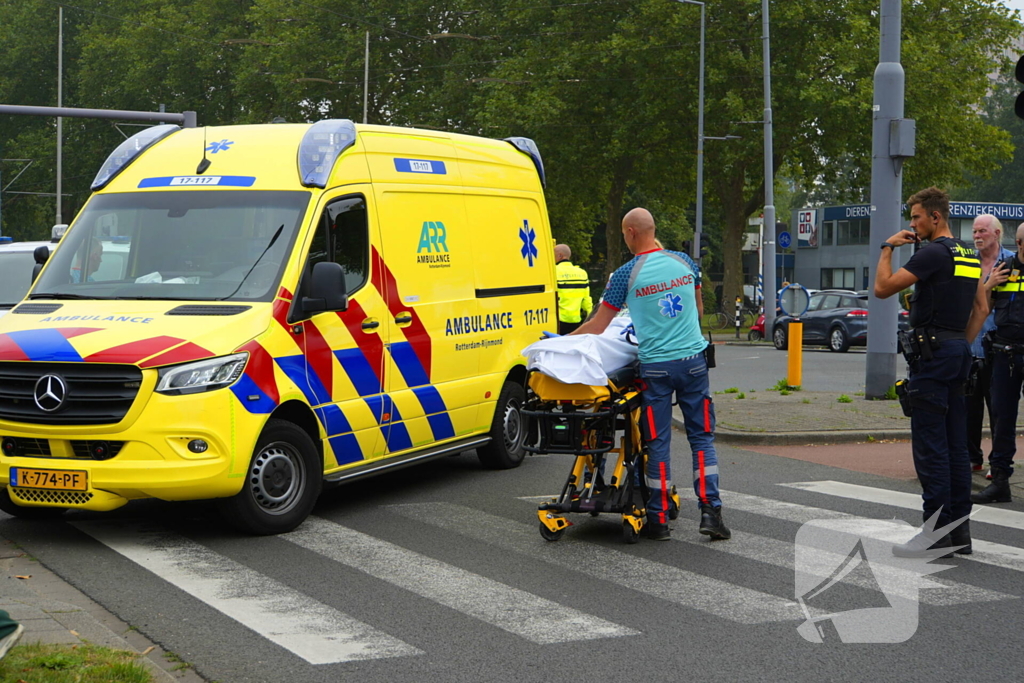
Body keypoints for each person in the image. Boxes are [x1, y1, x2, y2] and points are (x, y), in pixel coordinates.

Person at [570, 208, 729, 542]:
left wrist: (559, 343)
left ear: (630, 232)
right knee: (701, 438)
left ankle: (658, 521)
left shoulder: (625, 274)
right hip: (693, 363)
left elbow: (598, 327)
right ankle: (711, 513)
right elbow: (698, 311)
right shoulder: (686, 263)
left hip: (655, 369)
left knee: (657, 443)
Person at [874, 187, 989, 557]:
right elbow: (982, 309)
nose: (912, 224)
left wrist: (887, 247)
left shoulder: (935, 253)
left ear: (935, 218)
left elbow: (882, 288)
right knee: (957, 447)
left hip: (934, 357)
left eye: (917, 217)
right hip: (958, 352)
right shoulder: (968, 252)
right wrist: (958, 344)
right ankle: (959, 533)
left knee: (931, 450)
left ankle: (934, 535)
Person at [970, 223, 1024, 506]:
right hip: (1005, 353)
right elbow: (984, 307)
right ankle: (1000, 481)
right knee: (1002, 418)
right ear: (1019, 242)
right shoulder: (1005, 268)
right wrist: (988, 285)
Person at [966, 215, 1014, 475]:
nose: (977, 236)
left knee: (999, 410)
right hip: (971, 346)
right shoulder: (968, 264)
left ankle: (998, 463)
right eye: (974, 231)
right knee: (968, 410)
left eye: (982, 231)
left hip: (999, 348)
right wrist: (988, 286)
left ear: (997, 233)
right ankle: (972, 458)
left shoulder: (1011, 263)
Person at [554, 244, 593, 335]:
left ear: (560, 255)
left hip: (559, 320)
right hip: (575, 321)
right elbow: (586, 299)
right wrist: (590, 316)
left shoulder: (554, 271)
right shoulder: (582, 273)